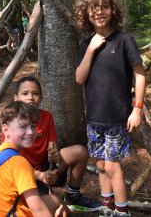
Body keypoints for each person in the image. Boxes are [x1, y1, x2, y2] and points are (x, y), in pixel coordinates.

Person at [75, 0, 146, 217]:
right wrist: (92, 49)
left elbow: (140, 74)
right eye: (94, 8)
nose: (99, 12)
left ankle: (123, 210)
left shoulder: (125, 40)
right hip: (94, 117)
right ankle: (107, 206)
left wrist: (137, 109)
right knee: (101, 165)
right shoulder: (86, 45)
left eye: (104, 6)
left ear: (112, 10)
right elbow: (79, 78)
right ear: (86, 13)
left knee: (113, 165)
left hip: (118, 117)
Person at [8, 76, 101, 215]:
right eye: (25, 93)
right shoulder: (11, 122)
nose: (30, 98)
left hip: (43, 167)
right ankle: (44, 193)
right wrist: (40, 176)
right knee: (54, 207)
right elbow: (12, 164)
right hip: (24, 175)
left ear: (41, 97)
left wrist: (54, 155)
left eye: (35, 93)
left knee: (80, 151)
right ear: (16, 97)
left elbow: (52, 147)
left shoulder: (46, 117)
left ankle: (73, 195)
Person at [0, 101, 57, 217]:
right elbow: (40, 212)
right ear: (5, 129)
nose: (30, 132)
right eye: (23, 127)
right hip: (13, 213)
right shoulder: (19, 163)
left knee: (55, 202)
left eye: (33, 126)